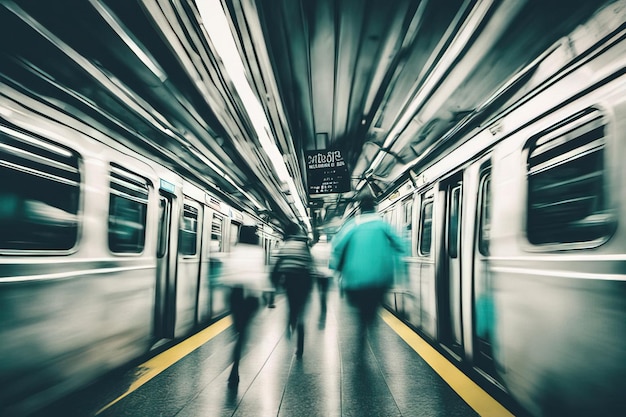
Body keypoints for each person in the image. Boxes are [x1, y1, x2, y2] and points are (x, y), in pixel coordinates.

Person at [329, 193, 405, 348]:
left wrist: (336, 269)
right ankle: (368, 322)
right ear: (375, 207)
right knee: (372, 304)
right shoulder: (383, 226)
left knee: (361, 306)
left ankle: (363, 325)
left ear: (359, 209)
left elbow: (337, 247)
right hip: (379, 278)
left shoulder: (352, 225)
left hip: (354, 279)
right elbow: (400, 246)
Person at [219, 225, 269, 388]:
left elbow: (226, 276)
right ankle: (235, 365)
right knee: (243, 333)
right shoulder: (258, 252)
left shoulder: (234, 250)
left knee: (239, 330)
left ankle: (235, 358)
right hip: (249, 297)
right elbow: (257, 277)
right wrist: (262, 296)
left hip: (235, 294)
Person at [271, 222, 313, 358]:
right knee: (301, 312)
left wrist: (274, 283)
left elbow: (277, 267)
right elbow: (310, 264)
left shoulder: (285, 246)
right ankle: (300, 346)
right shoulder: (303, 246)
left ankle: (291, 323)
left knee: (292, 307)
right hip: (304, 282)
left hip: (290, 282)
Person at [310, 235, 332, 328]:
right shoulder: (329, 247)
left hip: (317, 274)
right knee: (324, 293)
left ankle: (321, 298)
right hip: (327, 274)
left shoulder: (315, 248)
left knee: (320, 292)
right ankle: (323, 311)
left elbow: (312, 260)